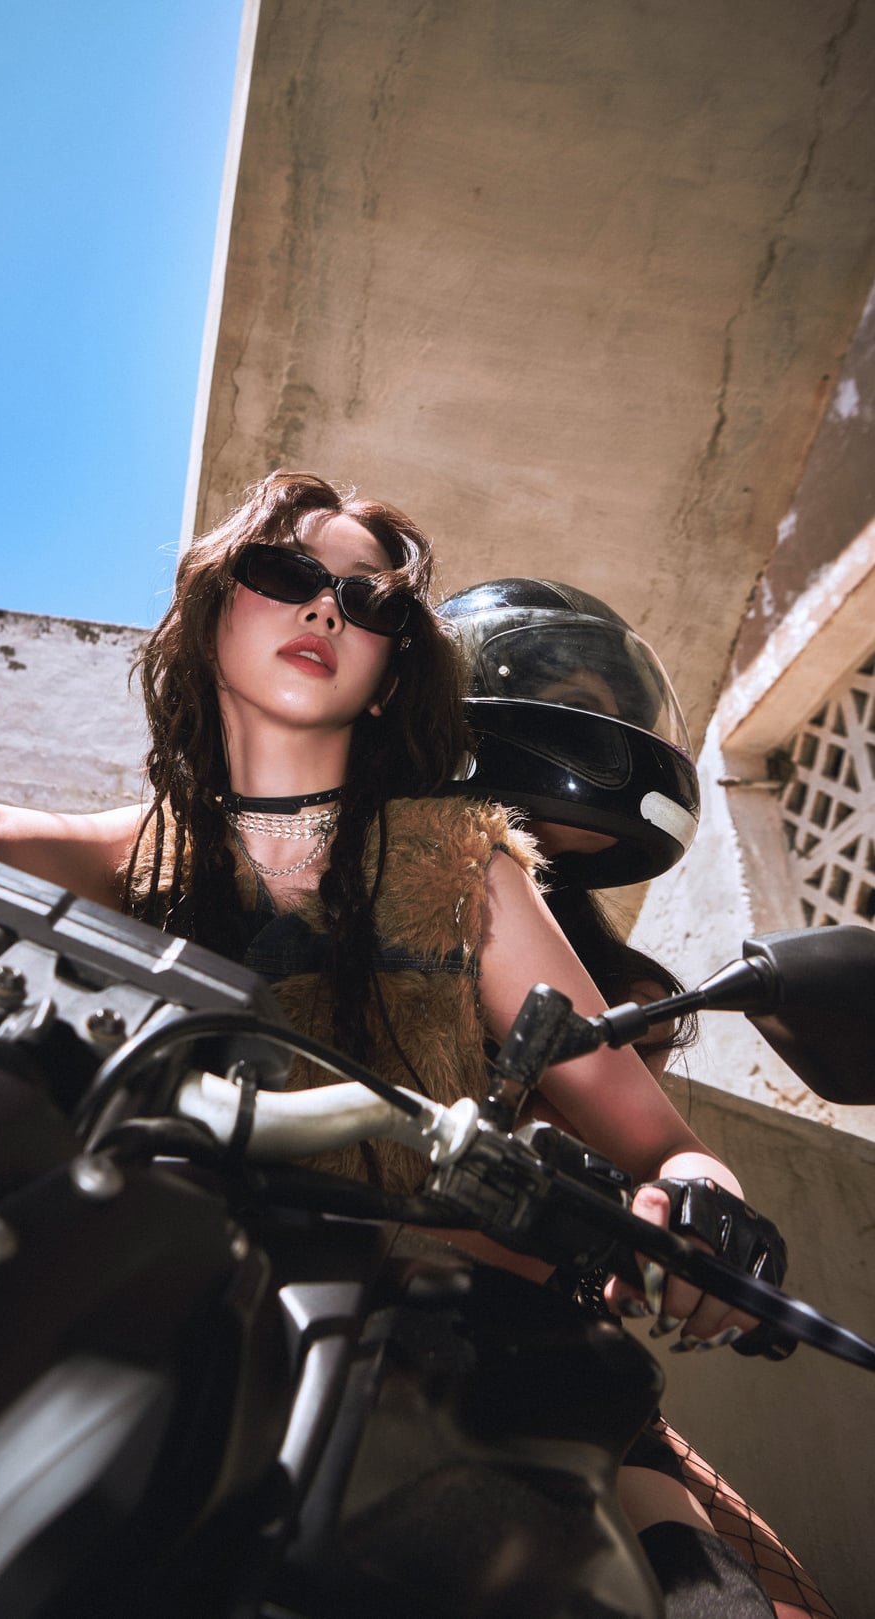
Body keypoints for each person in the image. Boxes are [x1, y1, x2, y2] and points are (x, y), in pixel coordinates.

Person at [0, 470, 785, 1615]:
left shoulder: (465, 864)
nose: (325, 606)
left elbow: (662, 1143)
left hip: (453, 1361)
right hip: (175, 1329)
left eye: (371, 601)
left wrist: (702, 1201)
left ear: (395, 670)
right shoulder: (124, 856)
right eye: (287, 571)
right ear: (213, 609)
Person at [439, 575, 838, 1619]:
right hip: (345, 1324)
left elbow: (657, 1154)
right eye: (577, 701)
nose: (605, 731)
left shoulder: (618, 989)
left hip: (544, 1358)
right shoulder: (358, 893)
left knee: (763, 1599)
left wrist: (697, 1213)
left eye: (621, 710)